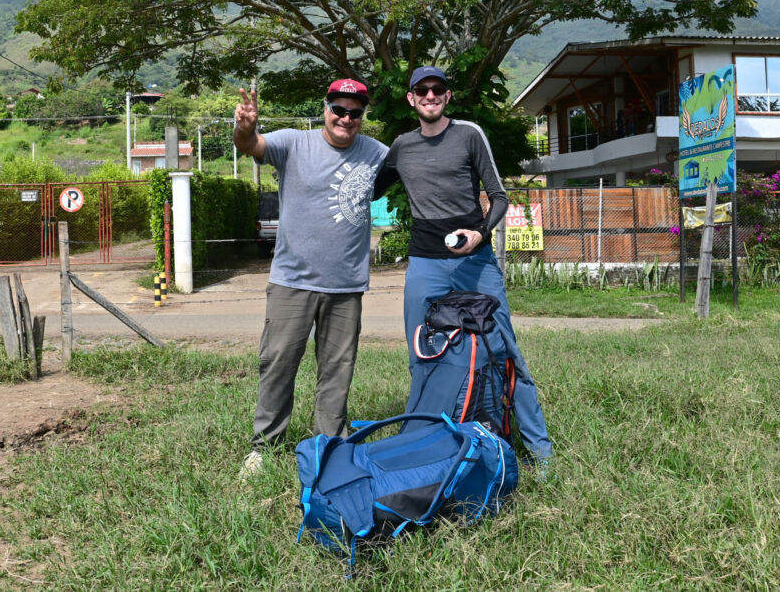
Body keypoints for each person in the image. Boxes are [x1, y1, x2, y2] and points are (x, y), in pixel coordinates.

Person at [374, 66, 553, 477]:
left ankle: (539, 452)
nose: (430, 95)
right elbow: (366, 186)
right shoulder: (401, 146)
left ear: (447, 96)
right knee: (423, 353)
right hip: (425, 261)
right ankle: (421, 445)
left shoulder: (469, 134)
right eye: (422, 90)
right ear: (411, 98)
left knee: (504, 351)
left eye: (437, 89)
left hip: (475, 262)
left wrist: (479, 233)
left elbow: (500, 197)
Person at [233, 79, 389, 476]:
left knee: (338, 370)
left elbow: (418, 166)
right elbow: (251, 146)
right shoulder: (293, 143)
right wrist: (246, 127)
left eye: (355, 112)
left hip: (346, 286)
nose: (346, 118)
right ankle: (264, 447)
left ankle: (329, 447)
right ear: (326, 109)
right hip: (292, 281)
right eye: (339, 109)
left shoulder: (376, 153)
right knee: (278, 363)